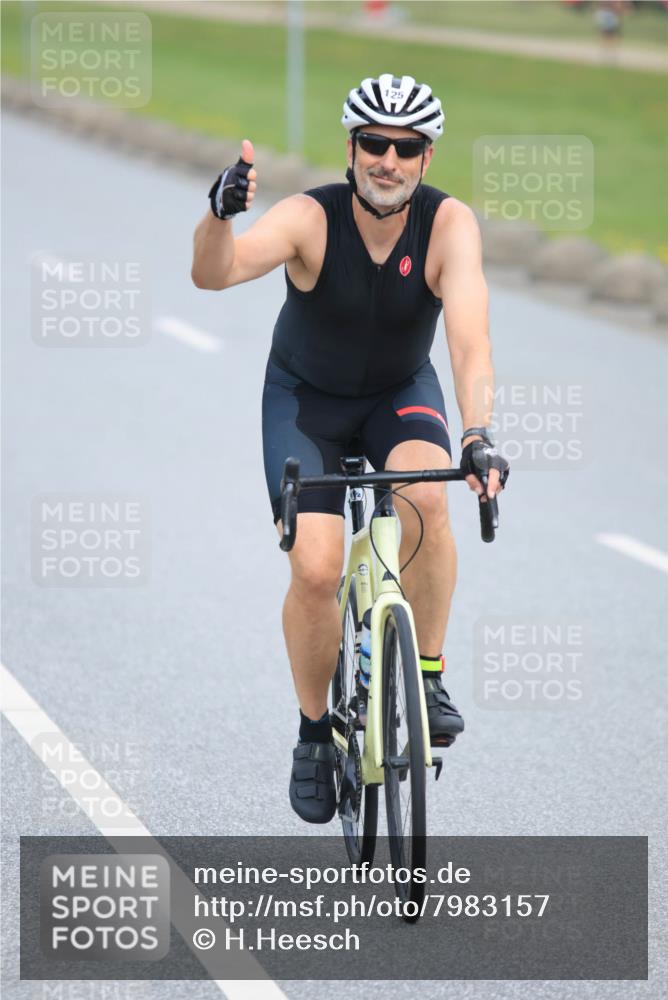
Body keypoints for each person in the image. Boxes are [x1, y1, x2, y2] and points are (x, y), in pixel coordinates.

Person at [191, 74, 508, 824]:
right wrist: (217, 216)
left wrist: (477, 435)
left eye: (406, 147)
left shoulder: (450, 225)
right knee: (317, 567)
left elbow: (469, 338)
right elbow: (216, 274)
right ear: (351, 149)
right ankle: (311, 734)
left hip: (400, 395)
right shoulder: (309, 217)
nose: (388, 160)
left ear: (426, 158)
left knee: (427, 498)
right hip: (307, 404)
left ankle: (425, 674)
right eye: (374, 144)